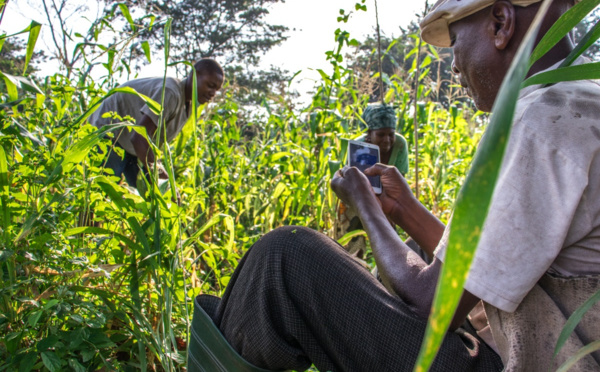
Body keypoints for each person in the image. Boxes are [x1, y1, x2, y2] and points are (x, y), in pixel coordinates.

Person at [189, 0, 600, 371]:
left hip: (506, 361)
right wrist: (403, 209)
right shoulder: (577, 106)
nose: (454, 66)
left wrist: (365, 206)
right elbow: (479, 272)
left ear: (500, 23)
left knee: (284, 258)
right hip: (505, 343)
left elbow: (433, 301)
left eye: (454, 41)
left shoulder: (539, 125)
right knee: (377, 256)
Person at [90, 58, 224, 188]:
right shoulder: (170, 92)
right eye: (210, 86)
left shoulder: (187, 105)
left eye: (216, 90)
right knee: (101, 193)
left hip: (132, 146)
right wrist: (164, 179)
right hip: (110, 133)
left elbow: (151, 144)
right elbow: (139, 138)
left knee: (151, 197)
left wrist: (163, 183)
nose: (213, 93)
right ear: (194, 75)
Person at [336, 104, 411, 257]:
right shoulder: (358, 147)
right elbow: (352, 184)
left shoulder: (400, 144)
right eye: (381, 135)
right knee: (352, 247)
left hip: (386, 197)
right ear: (369, 133)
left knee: (391, 246)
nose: (387, 140)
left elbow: (399, 182)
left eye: (391, 134)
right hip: (357, 198)